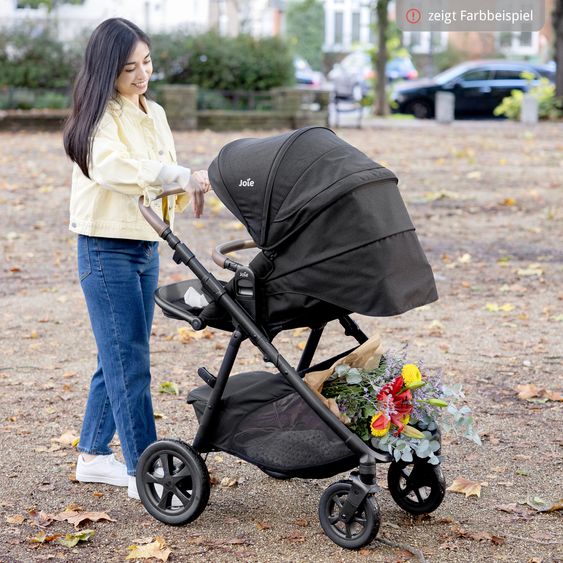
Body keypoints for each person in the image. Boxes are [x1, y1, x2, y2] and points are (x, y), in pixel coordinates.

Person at [63, 17, 211, 500]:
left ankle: (93, 455)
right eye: (130, 68)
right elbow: (116, 169)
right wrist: (175, 172)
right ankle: (146, 472)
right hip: (105, 248)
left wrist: (188, 187)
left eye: (146, 62)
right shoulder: (98, 118)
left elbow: (160, 177)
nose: (142, 74)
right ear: (108, 70)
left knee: (120, 353)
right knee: (130, 360)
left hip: (144, 245)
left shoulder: (156, 111)